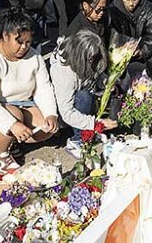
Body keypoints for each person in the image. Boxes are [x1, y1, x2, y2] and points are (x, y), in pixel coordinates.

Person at [0, 9, 58, 173]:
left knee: (44, 128)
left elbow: (44, 88)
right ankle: (0, 155)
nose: (24, 47)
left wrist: (51, 114)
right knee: (14, 115)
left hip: (20, 102)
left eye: (28, 42)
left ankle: (12, 142)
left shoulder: (33, 56)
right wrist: (13, 125)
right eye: (19, 42)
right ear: (5, 36)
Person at [50, 28, 117, 158]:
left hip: (81, 92)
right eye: (91, 59)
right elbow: (67, 112)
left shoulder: (87, 59)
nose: (93, 61)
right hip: (62, 107)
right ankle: (77, 139)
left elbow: (94, 73)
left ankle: (88, 132)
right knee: (83, 96)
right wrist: (96, 124)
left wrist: (105, 82)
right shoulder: (64, 73)